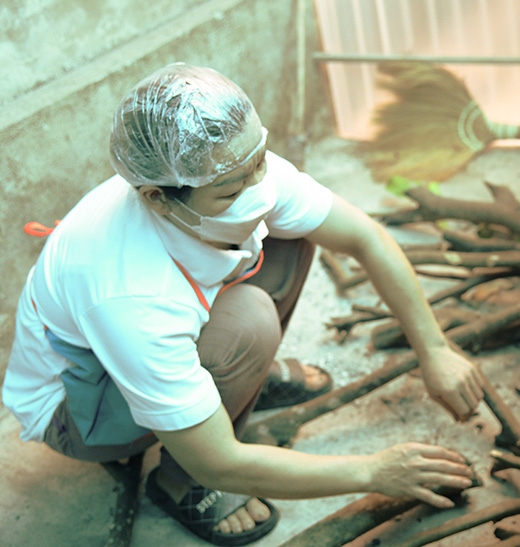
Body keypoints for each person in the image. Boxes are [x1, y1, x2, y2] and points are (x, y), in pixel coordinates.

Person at [1, 63, 485, 546]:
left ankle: (233, 379)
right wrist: (375, 471)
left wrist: (434, 349)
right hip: (76, 409)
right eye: (231, 191)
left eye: (259, 162)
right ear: (156, 198)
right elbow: (220, 461)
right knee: (251, 323)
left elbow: (364, 236)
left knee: (294, 235)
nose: (258, 190)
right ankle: (179, 482)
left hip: (142, 340)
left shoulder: (233, 167)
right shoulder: (130, 295)